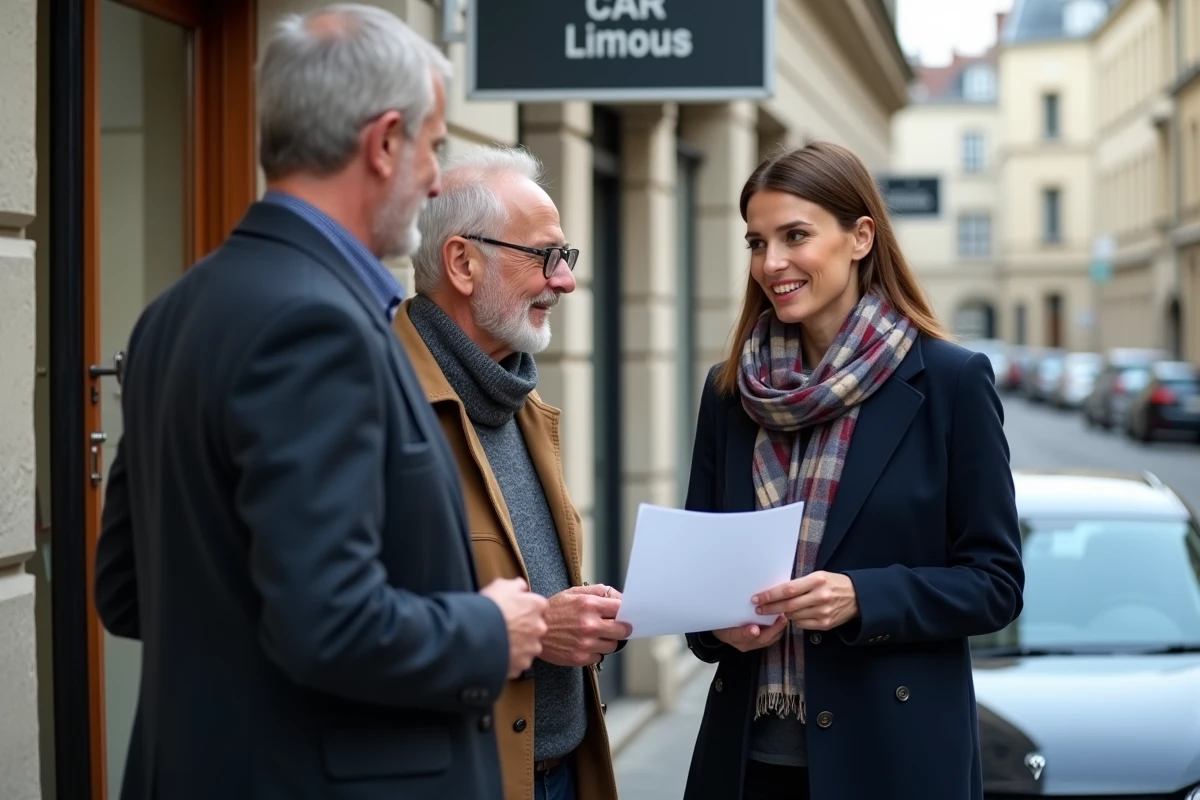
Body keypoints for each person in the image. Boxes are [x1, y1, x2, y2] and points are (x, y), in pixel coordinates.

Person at [93, 7, 548, 800]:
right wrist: (487, 630)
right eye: (434, 146)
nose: (438, 178)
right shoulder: (318, 325)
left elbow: (129, 594)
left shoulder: (172, 312)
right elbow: (328, 624)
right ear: (382, 143)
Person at [680, 140, 1025, 800]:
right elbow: (700, 592)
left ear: (860, 236)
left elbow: (996, 584)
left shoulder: (951, 383)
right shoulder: (730, 393)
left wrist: (863, 597)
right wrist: (714, 622)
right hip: (746, 762)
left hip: (894, 761)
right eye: (756, 242)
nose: (770, 263)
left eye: (795, 236)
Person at [394, 145, 630, 800]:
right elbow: (352, 616)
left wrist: (580, 620)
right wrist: (520, 631)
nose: (566, 281)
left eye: (567, 257)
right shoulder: (385, 403)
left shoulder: (516, 397)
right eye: (545, 256)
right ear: (463, 263)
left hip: (560, 772)